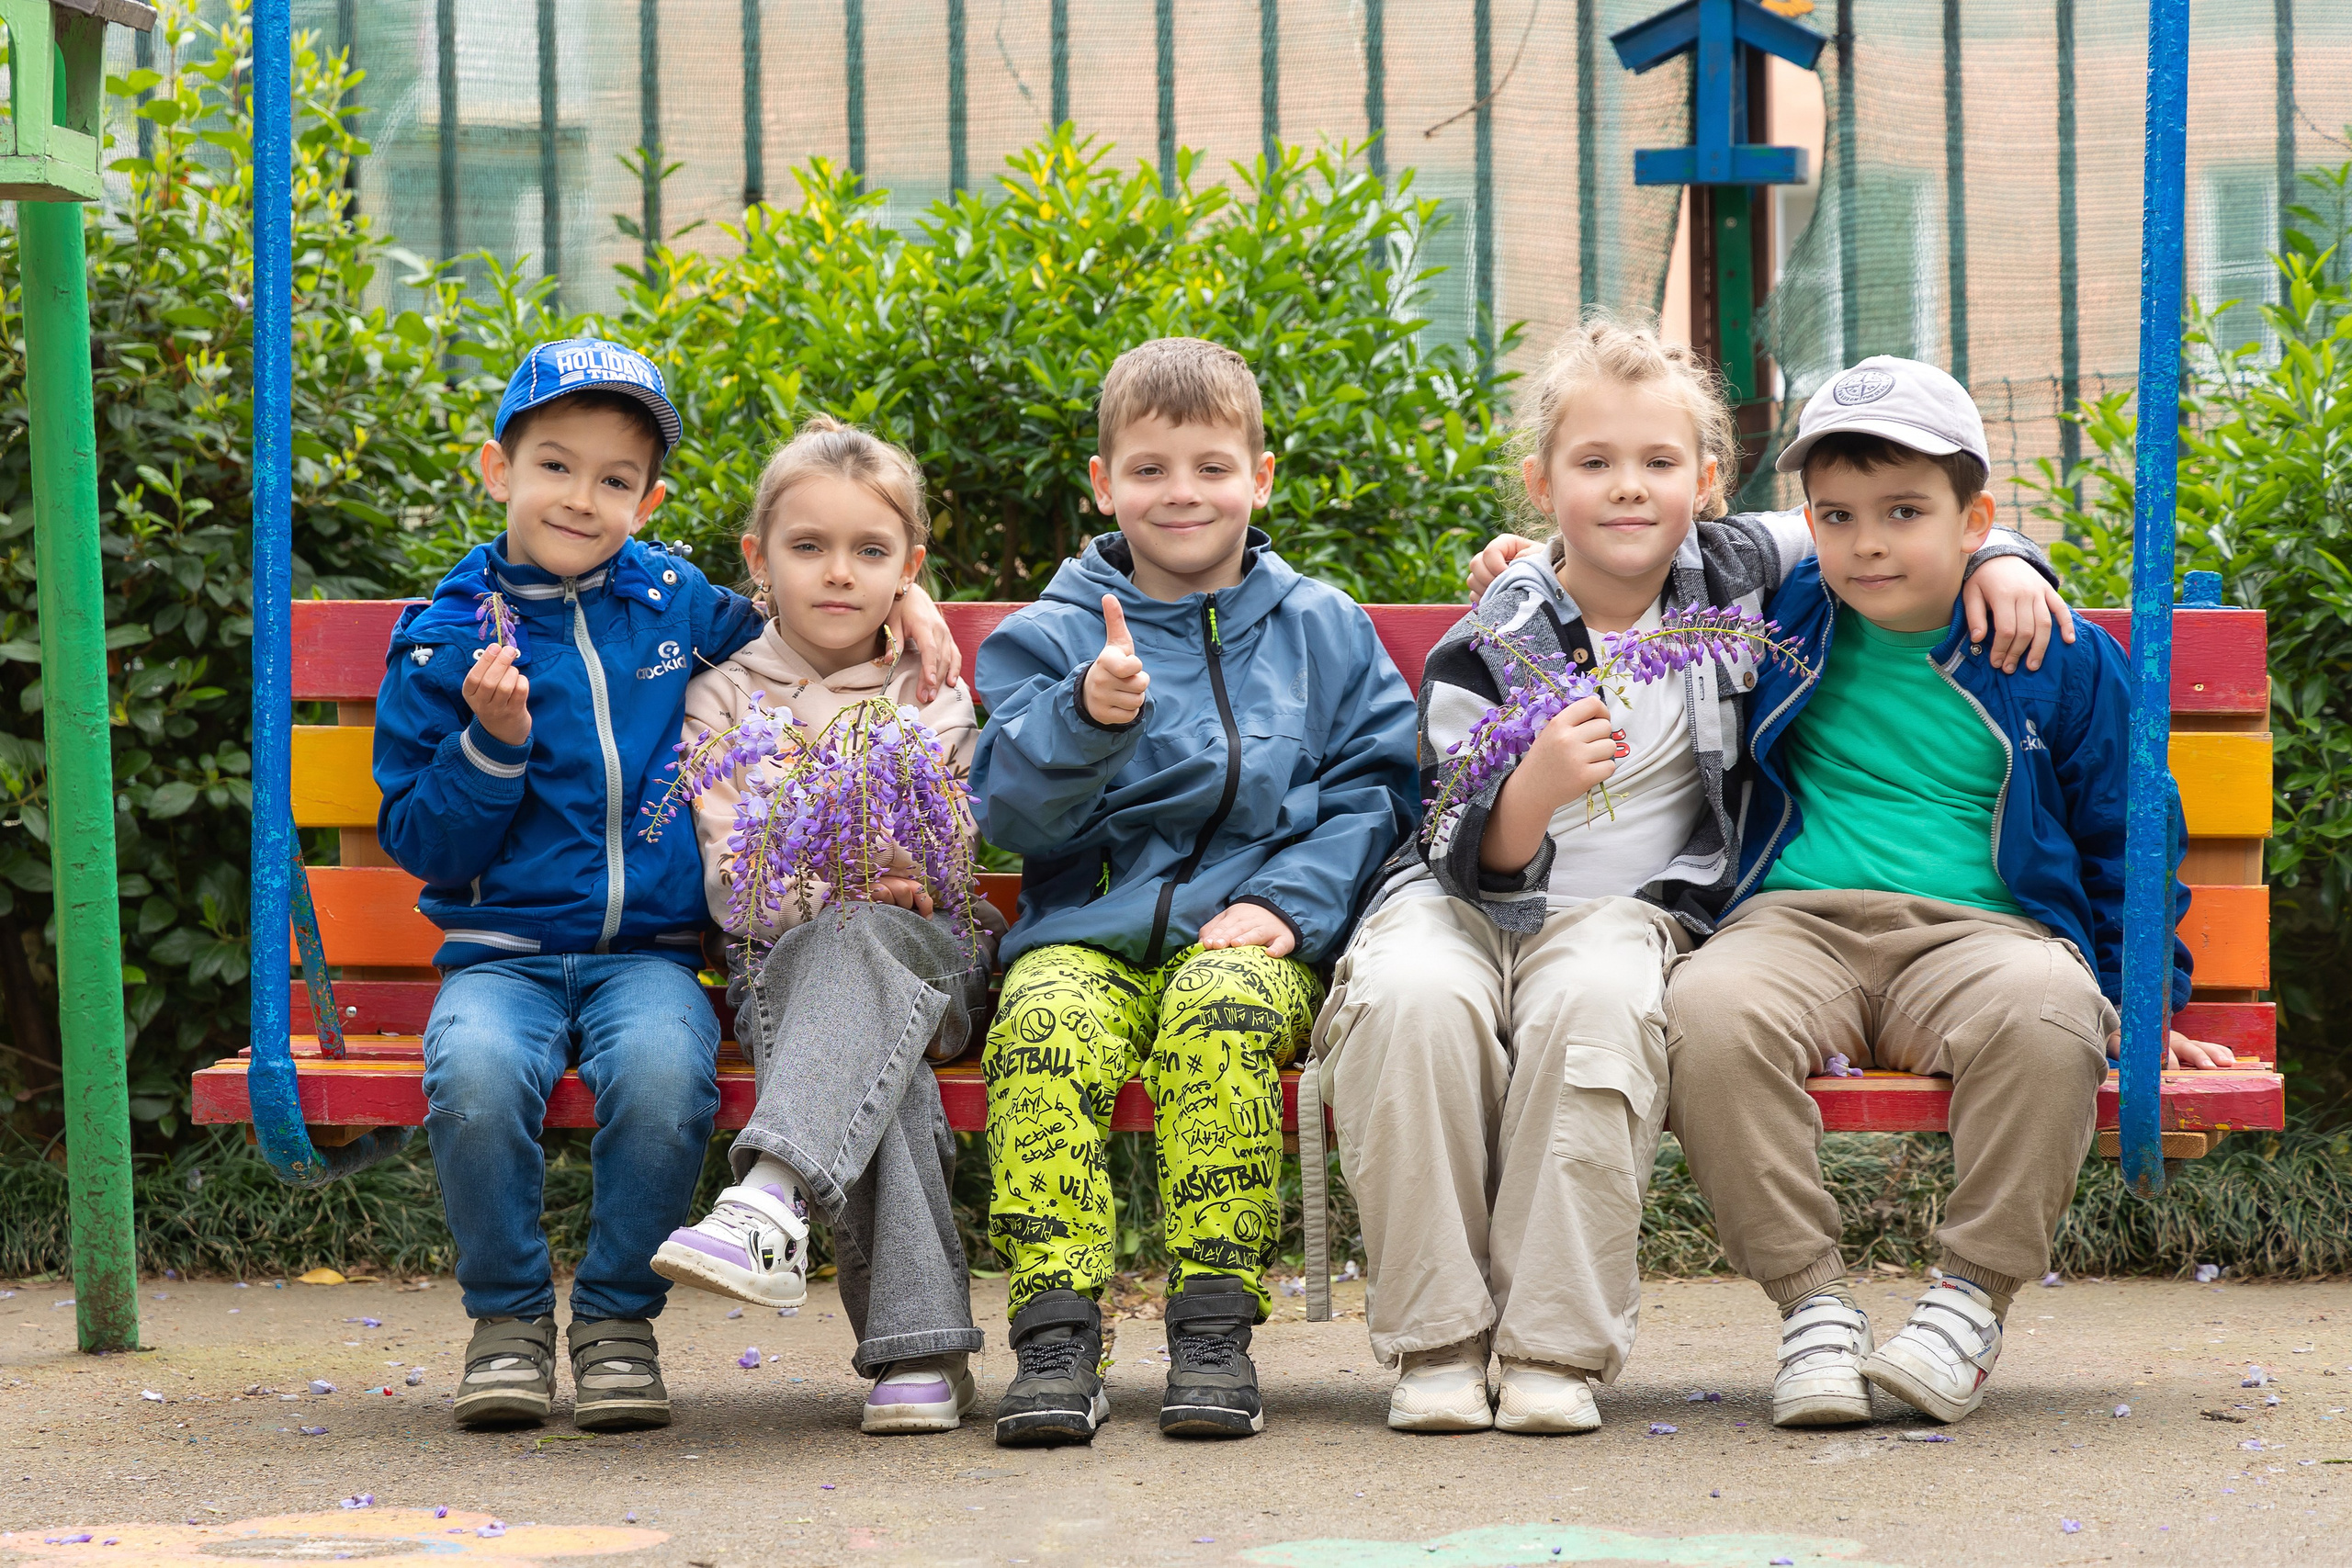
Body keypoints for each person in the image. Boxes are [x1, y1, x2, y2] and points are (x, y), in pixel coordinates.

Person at [1317, 321, 2073, 1437]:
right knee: (1412, 1005)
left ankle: (1548, 1349)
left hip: (1624, 917)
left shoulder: (1741, 569)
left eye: (1659, 464)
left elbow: (1899, 511)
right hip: (1456, 902)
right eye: (1594, 465)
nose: (1629, 490)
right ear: (1541, 484)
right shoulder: (1502, 629)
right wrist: (1532, 788)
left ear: (1708, 483)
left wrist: (2011, 555)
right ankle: (1435, 1341)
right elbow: (1460, 839)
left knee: (1597, 1015)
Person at [373, 340, 959, 1433]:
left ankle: (613, 1322)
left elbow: (801, 629)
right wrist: (491, 747)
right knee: (476, 1079)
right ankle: (505, 1320)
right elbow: (423, 840)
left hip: (648, 954)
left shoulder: (672, 602)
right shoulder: (443, 643)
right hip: (498, 954)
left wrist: (908, 610)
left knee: (662, 1081)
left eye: (613, 480)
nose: (581, 498)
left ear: (649, 500)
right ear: (497, 471)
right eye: (554, 466)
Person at [1663, 355, 2236, 1429]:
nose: (1868, 542)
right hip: (1798, 923)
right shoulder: (1780, 617)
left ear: (1973, 517)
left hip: (1982, 935)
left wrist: (2148, 997)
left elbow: (2129, 834)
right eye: (1836, 515)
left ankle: (1969, 1300)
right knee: (1704, 1010)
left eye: (1903, 513)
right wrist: (1528, 563)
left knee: (2050, 1013)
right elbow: (1636, 559)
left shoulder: (2047, 650)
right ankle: (1813, 1309)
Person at [969, 336, 1420, 1445]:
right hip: (1087, 931)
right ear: (1102, 484)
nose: (1182, 494)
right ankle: (1056, 1330)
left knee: (1217, 1019)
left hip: (1251, 937)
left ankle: (1212, 1323)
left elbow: (1376, 790)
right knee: (1044, 1028)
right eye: (1150, 469)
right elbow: (1007, 815)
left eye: (1212, 467)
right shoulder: (1053, 636)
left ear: (1259, 478)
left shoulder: (1321, 627)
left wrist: (1288, 903)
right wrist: (1085, 720)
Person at [650, 416, 1002, 1436]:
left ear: (909, 568)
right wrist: (850, 865)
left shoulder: (929, 693)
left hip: (933, 971)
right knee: (875, 1052)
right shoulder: (719, 699)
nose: (838, 574)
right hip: (783, 975)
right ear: (759, 561)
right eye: (809, 548)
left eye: (870, 552)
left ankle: (768, 1196)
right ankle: (922, 1359)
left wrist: (876, 870)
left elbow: (942, 871)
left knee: (862, 943)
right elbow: (737, 893)